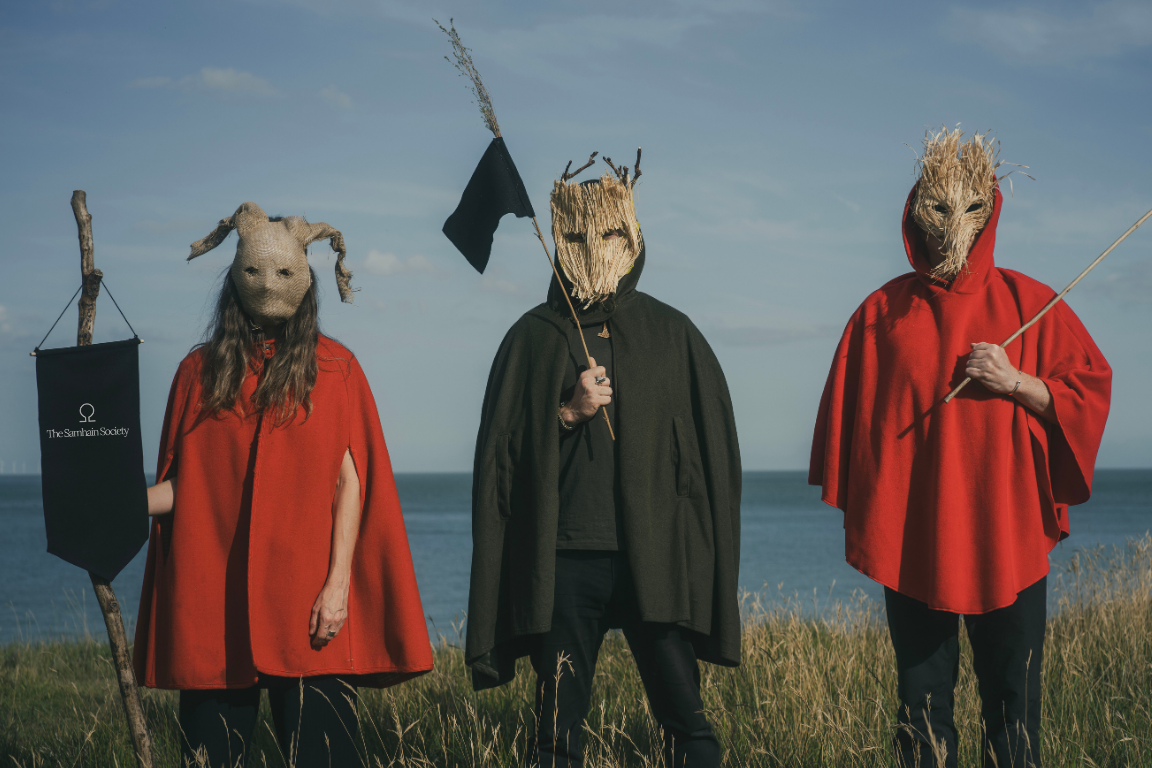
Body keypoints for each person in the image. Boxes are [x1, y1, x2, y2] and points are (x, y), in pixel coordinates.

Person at [809, 128, 1111, 768]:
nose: (954, 225)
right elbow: (854, 421)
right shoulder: (881, 312)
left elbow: (1088, 392)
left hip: (1010, 537)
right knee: (921, 717)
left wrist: (1017, 381)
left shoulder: (1031, 302)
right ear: (918, 208)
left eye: (970, 208)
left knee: (1014, 714)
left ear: (991, 208)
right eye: (939, 207)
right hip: (916, 541)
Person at [133, 202, 433, 767]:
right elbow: (184, 492)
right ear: (234, 279)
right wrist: (113, 502)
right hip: (214, 610)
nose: (268, 283)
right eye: (254, 271)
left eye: (283, 273)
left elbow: (352, 484)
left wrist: (338, 585)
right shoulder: (199, 373)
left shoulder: (336, 369)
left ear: (306, 281)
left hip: (308, 607)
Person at [466, 155, 742, 768]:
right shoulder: (535, 335)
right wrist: (567, 412)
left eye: (611, 234)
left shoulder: (673, 334)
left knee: (686, 723)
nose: (594, 247)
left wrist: (694, 550)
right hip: (567, 559)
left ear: (634, 238)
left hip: (655, 558)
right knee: (557, 732)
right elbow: (501, 460)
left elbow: (708, 456)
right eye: (577, 237)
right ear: (558, 242)